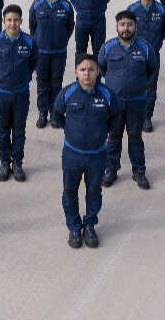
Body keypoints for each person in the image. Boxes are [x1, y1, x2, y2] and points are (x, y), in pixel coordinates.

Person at [52, 54, 123, 249]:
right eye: (83, 70)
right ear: (76, 71)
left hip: (97, 155)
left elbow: (116, 117)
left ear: (98, 71)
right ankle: (74, 227)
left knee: (94, 191)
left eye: (91, 69)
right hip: (72, 154)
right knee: (70, 191)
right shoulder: (67, 93)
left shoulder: (107, 95)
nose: (87, 74)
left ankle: (90, 224)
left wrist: (104, 133)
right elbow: (57, 114)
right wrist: (68, 130)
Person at [97, 10, 158, 189]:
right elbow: (102, 68)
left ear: (135, 27)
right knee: (113, 137)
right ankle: (111, 169)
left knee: (135, 137)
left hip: (137, 102)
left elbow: (152, 70)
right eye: (122, 25)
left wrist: (138, 85)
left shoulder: (145, 48)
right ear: (117, 27)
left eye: (130, 25)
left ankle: (139, 171)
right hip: (114, 103)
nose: (126, 28)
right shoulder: (107, 47)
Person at [0, 5, 38, 182]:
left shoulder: (29, 42)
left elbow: (33, 63)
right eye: (9, 20)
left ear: (21, 21)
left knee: (19, 130)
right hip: (2, 93)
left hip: (21, 93)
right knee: (2, 130)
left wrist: (22, 78)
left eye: (16, 20)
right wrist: (0, 78)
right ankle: (4, 162)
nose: (12, 23)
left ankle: (17, 163)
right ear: (3, 21)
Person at [29, 0, 75, 128]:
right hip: (41, 52)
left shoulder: (66, 6)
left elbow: (69, 27)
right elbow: (32, 27)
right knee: (42, 83)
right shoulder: (36, 5)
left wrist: (61, 39)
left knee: (56, 83)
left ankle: (55, 113)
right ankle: (43, 113)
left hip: (59, 52)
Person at [127, 0, 165, 132]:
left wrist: (156, 44)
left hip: (152, 55)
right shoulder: (132, 9)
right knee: (132, 85)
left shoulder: (161, 10)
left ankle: (147, 117)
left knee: (150, 87)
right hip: (134, 54)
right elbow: (126, 30)